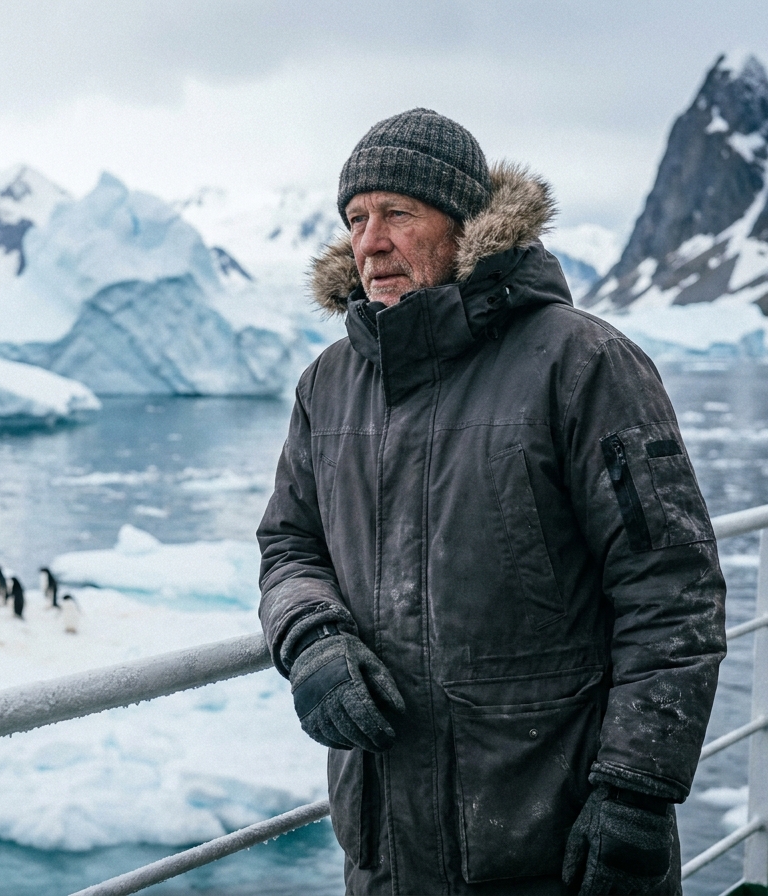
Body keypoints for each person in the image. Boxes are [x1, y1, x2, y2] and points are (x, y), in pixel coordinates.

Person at [257, 109, 726, 896]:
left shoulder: (583, 362)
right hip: (387, 852)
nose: (370, 241)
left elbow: (672, 590)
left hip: (556, 843)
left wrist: (638, 793)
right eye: (355, 218)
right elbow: (289, 545)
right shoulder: (329, 385)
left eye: (398, 214)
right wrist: (310, 636)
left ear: (468, 224)